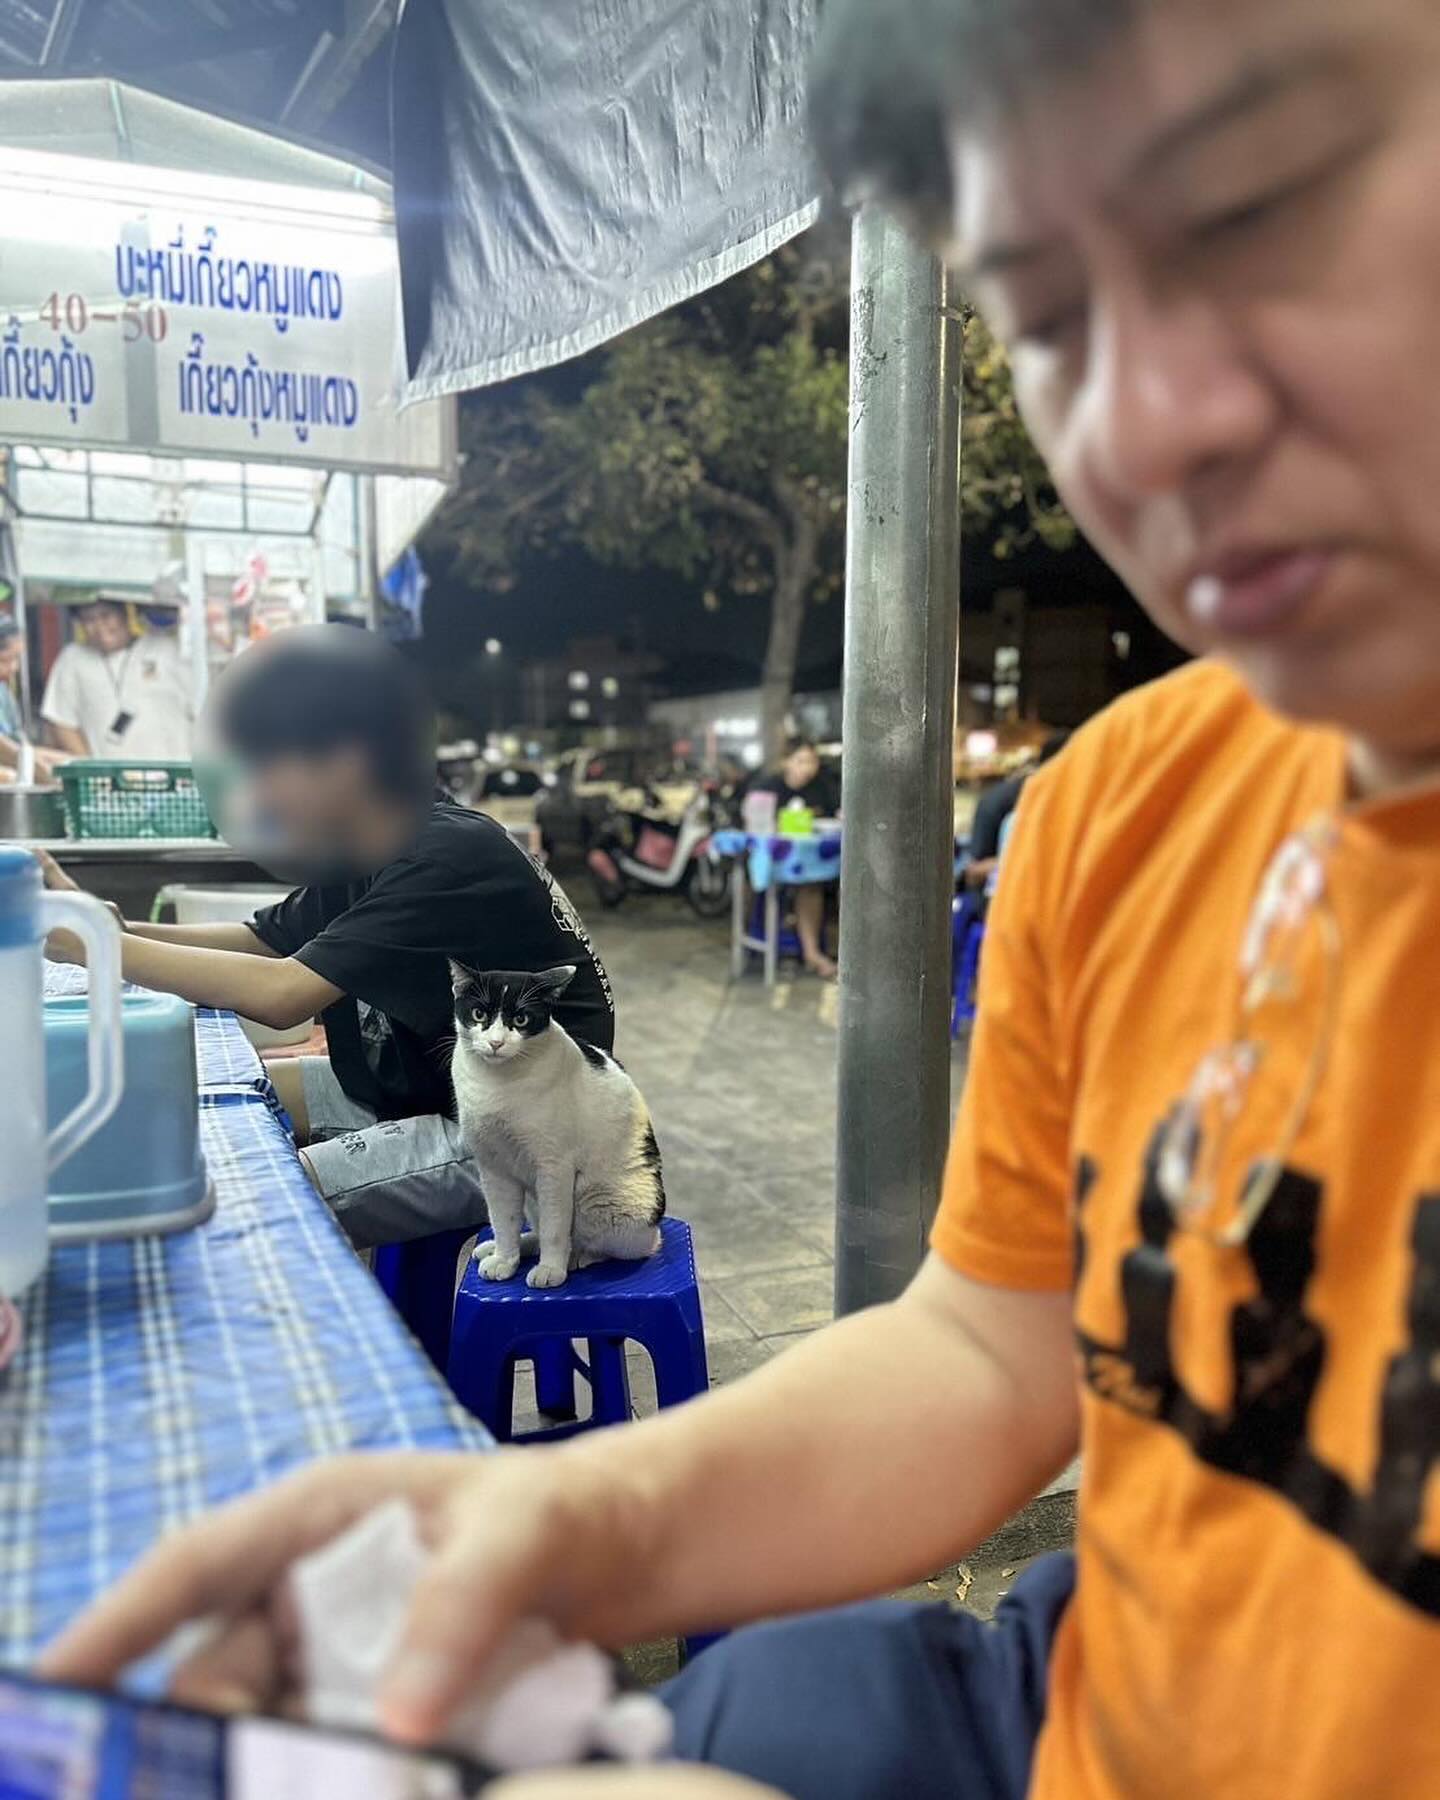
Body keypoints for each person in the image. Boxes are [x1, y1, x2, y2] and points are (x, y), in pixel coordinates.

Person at [41, 0, 1440, 1794]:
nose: (1148, 426)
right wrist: (575, 1527)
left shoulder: (445, 848)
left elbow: (277, 993)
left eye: (1258, 210)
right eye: (1048, 320)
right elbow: (989, 1346)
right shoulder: (1122, 808)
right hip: (1080, 1686)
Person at [43, 627, 616, 1248]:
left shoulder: (446, 854)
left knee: (253, 1196)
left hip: (527, 1137)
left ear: (347, 761)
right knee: (205, 1100)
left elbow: (282, 993)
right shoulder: (370, 844)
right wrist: (112, 926)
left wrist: (92, 945)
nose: (258, 793)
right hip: (431, 1088)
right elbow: (263, 940)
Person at [40, 596, 194, 760]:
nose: (99, 627)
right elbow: (61, 721)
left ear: (125, 614)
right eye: (88, 620)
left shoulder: (167, 649)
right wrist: (91, 767)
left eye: (106, 616)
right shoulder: (73, 659)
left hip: (172, 769)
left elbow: (200, 709)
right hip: (108, 773)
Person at [749, 737, 841, 977]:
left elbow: (838, 812)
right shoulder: (768, 787)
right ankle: (755, 944)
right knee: (754, 883)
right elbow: (753, 821)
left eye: (812, 761)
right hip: (774, 861)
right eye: (801, 761)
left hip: (808, 864)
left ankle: (812, 954)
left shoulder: (823, 786)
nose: (807, 767)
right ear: (785, 762)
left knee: (811, 886)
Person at [0, 621, 66, 781]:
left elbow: (21, 746)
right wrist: (42, 773)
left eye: (17, 659)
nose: (14, 668)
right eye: (5, 660)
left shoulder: (3, 694)